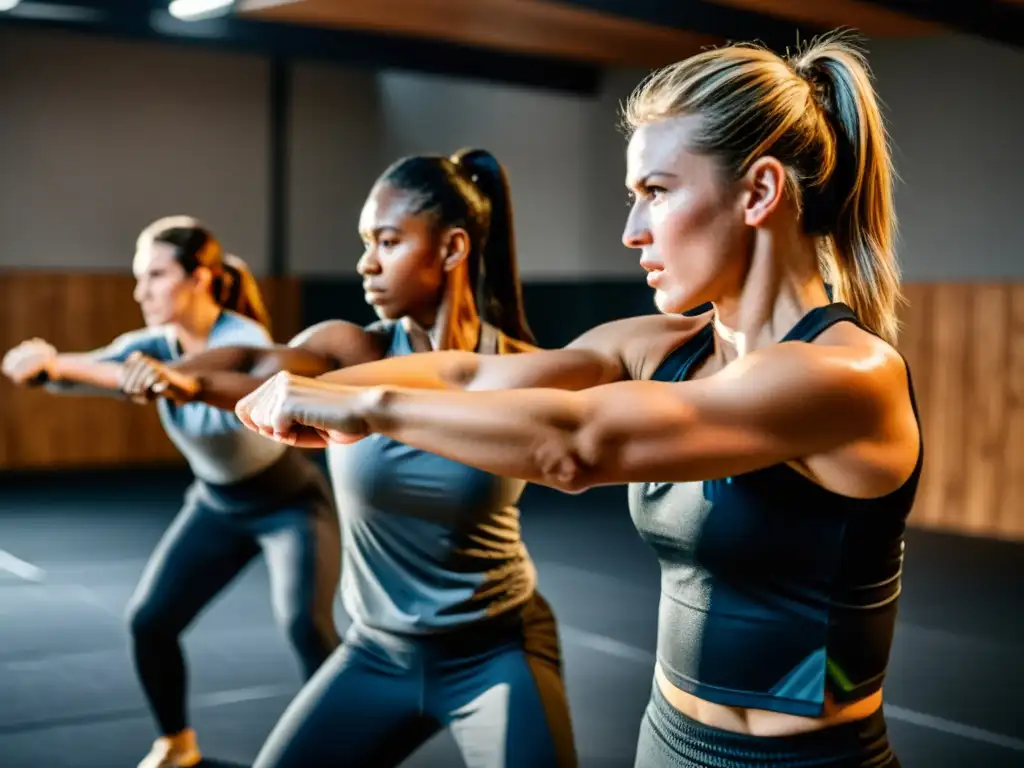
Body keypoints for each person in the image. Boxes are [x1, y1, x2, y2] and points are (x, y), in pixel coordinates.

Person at [235, 33, 921, 768]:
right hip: (665, 741)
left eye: (655, 193)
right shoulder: (663, 345)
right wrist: (304, 394)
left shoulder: (848, 377)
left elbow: (577, 447)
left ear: (758, 192)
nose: (632, 231)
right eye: (633, 198)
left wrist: (366, 409)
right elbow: (471, 377)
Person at [117, 151, 578, 768]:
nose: (366, 263)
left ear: (450, 250)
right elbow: (256, 363)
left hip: (496, 652)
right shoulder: (349, 351)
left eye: (387, 242)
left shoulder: (517, 368)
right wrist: (182, 378)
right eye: (366, 242)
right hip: (377, 652)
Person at [1, 217, 341, 768]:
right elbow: (98, 367)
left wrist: (79, 368)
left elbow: (181, 379)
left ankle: (345, 753)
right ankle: (176, 745)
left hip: (288, 505)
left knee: (308, 629)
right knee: (149, 622)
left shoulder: (243, 340)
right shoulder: (150, 344)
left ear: (200, 279)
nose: (142, 291)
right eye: (140, 277)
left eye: (156, 275)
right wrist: (42, 367)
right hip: (217, 505)